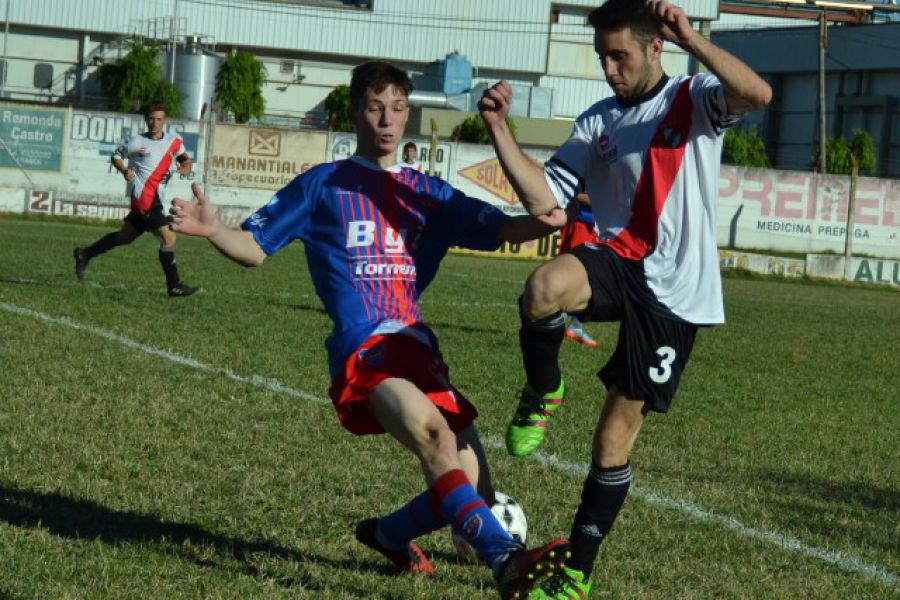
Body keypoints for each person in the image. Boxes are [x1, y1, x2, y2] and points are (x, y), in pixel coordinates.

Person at [169, 60, 571, 599]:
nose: (388, 120)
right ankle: (506, 562)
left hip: (417, 347)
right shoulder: (323, 185)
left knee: (468, 481)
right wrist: (215, 229)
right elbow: (254, 250)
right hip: (364, 349)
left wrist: (551, 218)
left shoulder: (426, 192)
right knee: (434, 436)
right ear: (356, 112)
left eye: (399, 109)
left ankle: (385, 536)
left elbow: (507, 227)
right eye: (376, 107)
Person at [478, 0, 772, 596]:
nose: (609, 69)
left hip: (676, 296)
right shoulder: (597, 121)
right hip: (620, 259)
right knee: (542, 288)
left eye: (620, 56)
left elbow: (760, 94)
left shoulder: (694, 99)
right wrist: (498, 130)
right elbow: (547, 200)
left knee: (612, 439)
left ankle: (576, 577)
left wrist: (692, 37)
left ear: (655, 48)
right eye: (603, 58)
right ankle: (543, 389)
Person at [73, 102, 198, 297]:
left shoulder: (174, 142)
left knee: (125, 237)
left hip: (153, 198)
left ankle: (85, 254)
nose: (154, 123)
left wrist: (185, 168)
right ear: (145, 119)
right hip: (144, 199)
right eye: (151, 118)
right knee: (169, 237)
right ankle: (174, 286)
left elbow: (186, 160)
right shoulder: (136, 141)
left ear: (164, 120)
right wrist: (124, 170)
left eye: (158, 119)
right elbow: (116, 155)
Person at [559, 194, 600, 348]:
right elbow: (577, 193)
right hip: (581, 224)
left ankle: (575, 323)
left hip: (591, 226)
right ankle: (558, 323)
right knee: (571, 274)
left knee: (588, 278)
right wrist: (604, 201)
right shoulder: (591, 170)